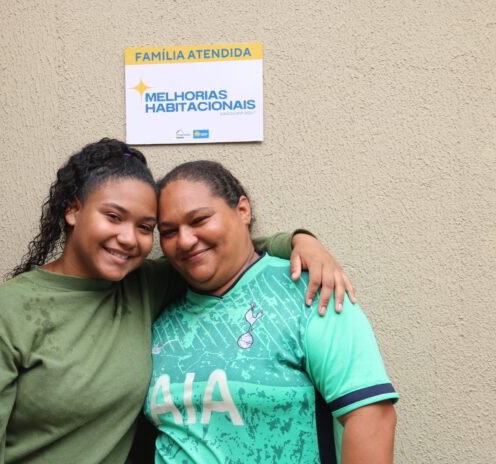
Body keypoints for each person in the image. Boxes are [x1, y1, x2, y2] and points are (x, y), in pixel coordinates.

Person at [0, 139, 355, 464]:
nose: (129, 238)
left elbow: (226, 252)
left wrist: (300, 242)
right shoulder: (3, 315)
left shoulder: (144, 285)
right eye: (113, 217)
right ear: (73, 210)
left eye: (145, 227)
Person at [145, 160, 398, 464]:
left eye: (199, 220)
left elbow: (371, 418)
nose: (184, 240)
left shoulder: (309, 290)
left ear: (243, 210)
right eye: (169, 231)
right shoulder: (159, 314)